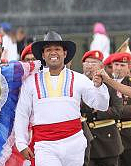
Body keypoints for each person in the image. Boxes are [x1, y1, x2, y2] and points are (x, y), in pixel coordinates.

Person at [10, 32, 111, 166]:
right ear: (43, 55)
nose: (53, 53)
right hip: (45, 146)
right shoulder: (30, 82)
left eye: (57, 49)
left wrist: (99, 87)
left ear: (64, 53)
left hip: (74, 144)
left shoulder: (79, 79)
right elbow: (22, 113)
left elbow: (102, 105)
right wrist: (21, 143)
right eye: (48, 50)